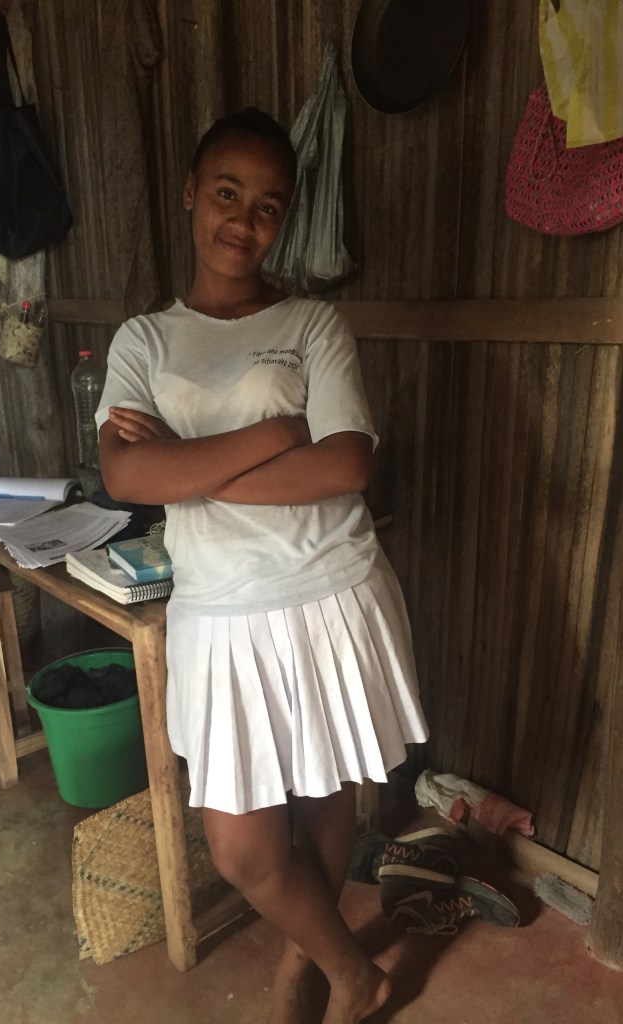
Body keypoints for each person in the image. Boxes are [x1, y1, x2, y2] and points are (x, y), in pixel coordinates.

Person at [97, 107, 428, 1024]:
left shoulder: (313, 322)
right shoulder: (143, 341)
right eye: (227, 193)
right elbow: (128, 475)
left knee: (323, 798)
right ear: (191, 194)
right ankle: (355, 972)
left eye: (268, 206)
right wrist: (279, 432)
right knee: (243, 849)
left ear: (284, 220)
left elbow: (345, 465)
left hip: (326, 592)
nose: (243, 221)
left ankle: (301, 972)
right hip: (218, 612)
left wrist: (193, 468)